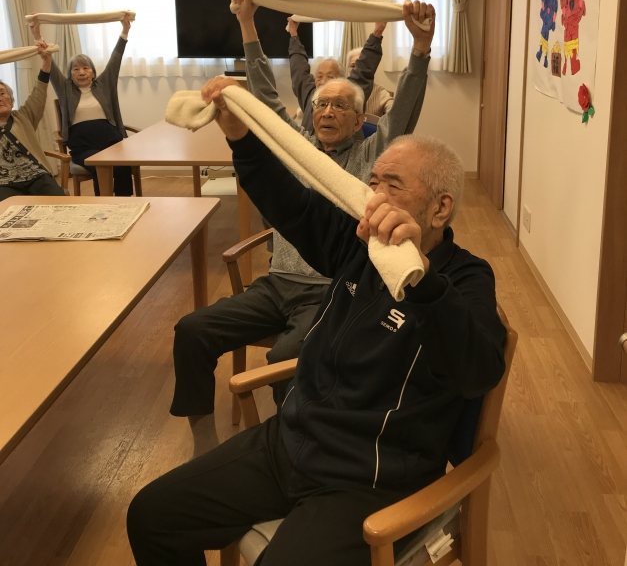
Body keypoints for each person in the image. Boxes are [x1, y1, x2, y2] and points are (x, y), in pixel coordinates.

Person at [126, 76, 507, 566]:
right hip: (288, 442)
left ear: (440, 208)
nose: (373, 196)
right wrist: (241, 136)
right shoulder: (359, 246)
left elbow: (477, 370)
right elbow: (293, 205)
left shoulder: (465, 278)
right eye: (372, 182)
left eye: (393, 185)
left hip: (368, 478)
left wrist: (424, 283)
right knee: (151, 515)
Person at [169, 0, 434, 458]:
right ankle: (203, 439)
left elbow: (402, 117)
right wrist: (247, 23)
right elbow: (264, 98)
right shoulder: (296, 148)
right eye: (321, 105)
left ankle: (289, 448)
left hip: (328, 290)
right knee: (192, 330)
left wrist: (420, 50)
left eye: (341, 106)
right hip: (276, 284)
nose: (327, 112)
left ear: (360, 119)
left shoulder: (371, 155)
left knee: (285, 356)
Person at [29, 16, 134, 196]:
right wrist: (37, 35)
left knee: (123, 166)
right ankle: (105, 205)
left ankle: (125, 203)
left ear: (93, 72)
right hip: (83, 146)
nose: (81, 72)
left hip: (110, 141)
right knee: (100, 166)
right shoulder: (65, 88)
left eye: (86, 68)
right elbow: (50, 64)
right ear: (70, 74)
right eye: (76, 69)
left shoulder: (104, 84)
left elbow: (115, 59)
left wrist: (124, 32)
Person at [288, 18, 387, 132]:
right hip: (307, 144)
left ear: (342, 81)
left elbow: (364, 70)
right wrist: (293, 35)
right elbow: (299, 69)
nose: (323, 81)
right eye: (319, 76)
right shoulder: (310, 94)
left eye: (330, 77)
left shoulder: (351, 94)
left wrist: (377, 33)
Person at [0, 43, 66, 201]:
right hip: (3, 183)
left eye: (1, 93)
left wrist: (46, 61)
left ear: (12, 100)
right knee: (7, 212)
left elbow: (39, 91)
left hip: (36, 175)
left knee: (59, 203)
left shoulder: (24, 116)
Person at [346, 45, 394, 117]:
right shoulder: (341, 87)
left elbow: (392, 108)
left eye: (361, 66)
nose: (356, 70)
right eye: (353, 66)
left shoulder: (379, 91)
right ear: (348, 68)